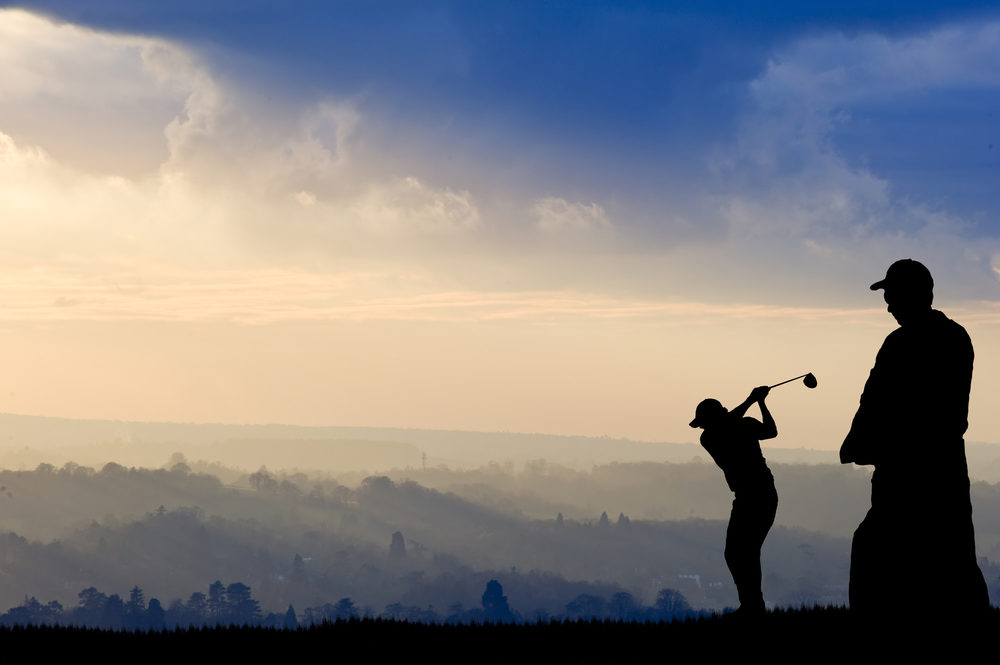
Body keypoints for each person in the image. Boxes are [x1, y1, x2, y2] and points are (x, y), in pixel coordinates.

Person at [840, 259, 988, 619]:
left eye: (892, 294)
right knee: (950, 561)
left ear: (914, 294)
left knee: (885, 556)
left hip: (919, 474)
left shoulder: (917, 342)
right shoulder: (946, 338)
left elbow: (933, 415)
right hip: (933, 472)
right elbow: (876, 401)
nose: (888, 304)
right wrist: (860, 441)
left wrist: (865, 444)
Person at [690, 385, 778, 615]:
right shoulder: (710, 437)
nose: (702, 427)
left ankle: (753, 606)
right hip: (748, 496)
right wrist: (754, 400)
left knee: (744, 551)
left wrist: (759, 402)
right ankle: (751, 604)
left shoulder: (738, 425)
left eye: (703, 421)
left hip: (759, 494)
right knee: (738, 552)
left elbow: (771, 431)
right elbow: (726, 427)